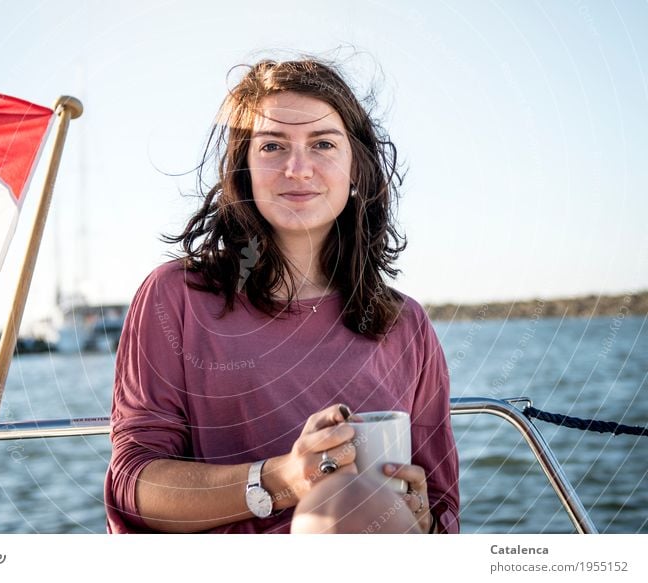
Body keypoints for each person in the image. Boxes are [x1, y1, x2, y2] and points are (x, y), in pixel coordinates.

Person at [104, 57, 459, 534]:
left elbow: (442, 506)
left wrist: (421, 520)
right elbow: (134, 485)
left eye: (323, 144)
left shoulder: (404, 323)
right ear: (244, 169)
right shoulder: (177, 298)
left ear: (356, 167)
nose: (297, 168)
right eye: (272, 146)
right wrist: (284, 479)